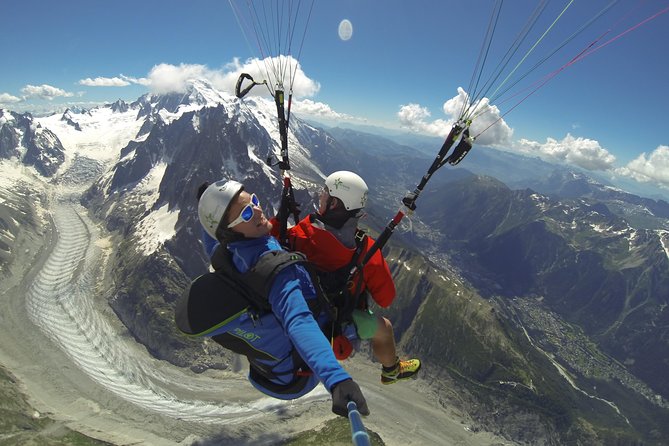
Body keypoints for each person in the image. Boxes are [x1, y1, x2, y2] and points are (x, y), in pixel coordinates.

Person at [192, 179, 369, 417]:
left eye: (254, 200)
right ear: (230, 229)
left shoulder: (224, 252)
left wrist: (207, 202)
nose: (257, 209)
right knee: (357, 322)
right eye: (246, 212)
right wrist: (336, 379)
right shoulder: (278, 273)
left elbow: (212, 240)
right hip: (299, 377)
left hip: (269, 372)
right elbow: (299, 322)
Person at [273, 171, 421, 385]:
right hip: (338, 324)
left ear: (334, 204)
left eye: (325, 192)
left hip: (299, 309)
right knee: (384, 328)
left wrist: (279, 220)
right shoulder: (366, 251)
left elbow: (272, 243)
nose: (320, 195)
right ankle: (391, 370)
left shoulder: (299, 234)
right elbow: (385, 299)